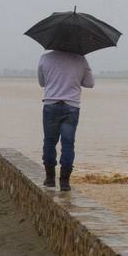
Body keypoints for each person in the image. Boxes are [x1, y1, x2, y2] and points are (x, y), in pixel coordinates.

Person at [37, 49, 93, 191]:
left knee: (49, 141)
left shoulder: (45, 58)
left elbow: (42, 82)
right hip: (71, 106)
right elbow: (90, 83)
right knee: (68, 144)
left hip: (50, 104)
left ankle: (50, 179)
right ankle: (64, 182)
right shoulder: (80, 59)